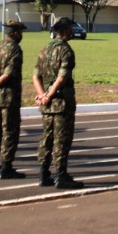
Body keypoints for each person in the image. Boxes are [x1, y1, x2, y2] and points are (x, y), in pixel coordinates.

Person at [33, 17, 82, 189]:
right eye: (70, 29)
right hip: (61, 102)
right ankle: (61, 175)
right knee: (62, 140)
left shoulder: (44, 50)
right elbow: (62, 77)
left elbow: (35, 76)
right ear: (64, 31)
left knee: (47, 138)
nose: (72, 32)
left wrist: (42, 95)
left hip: (47, 104)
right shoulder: (66, 51)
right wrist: (49, 95)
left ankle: (43, 173)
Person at [0, 20, 27, 179]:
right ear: (14, 33)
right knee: (9, 132)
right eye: (20, 32)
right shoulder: (15, 49)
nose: (21, 35)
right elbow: (9, 73)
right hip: (9, 98)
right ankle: (6, 167)